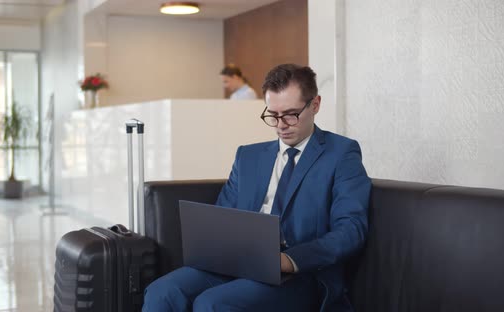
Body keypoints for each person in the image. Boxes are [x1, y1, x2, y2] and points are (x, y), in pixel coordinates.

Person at [143, 64, 371, 311]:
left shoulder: (341, 154)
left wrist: (288, 260)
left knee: (212, 304)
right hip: (238, 262)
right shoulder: (248, 157)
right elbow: (223, 217)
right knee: (162, 292)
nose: (280, 125)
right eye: (272, 115)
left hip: (300, 274)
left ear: (315, 105)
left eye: (291, 114)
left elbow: (351, 229)